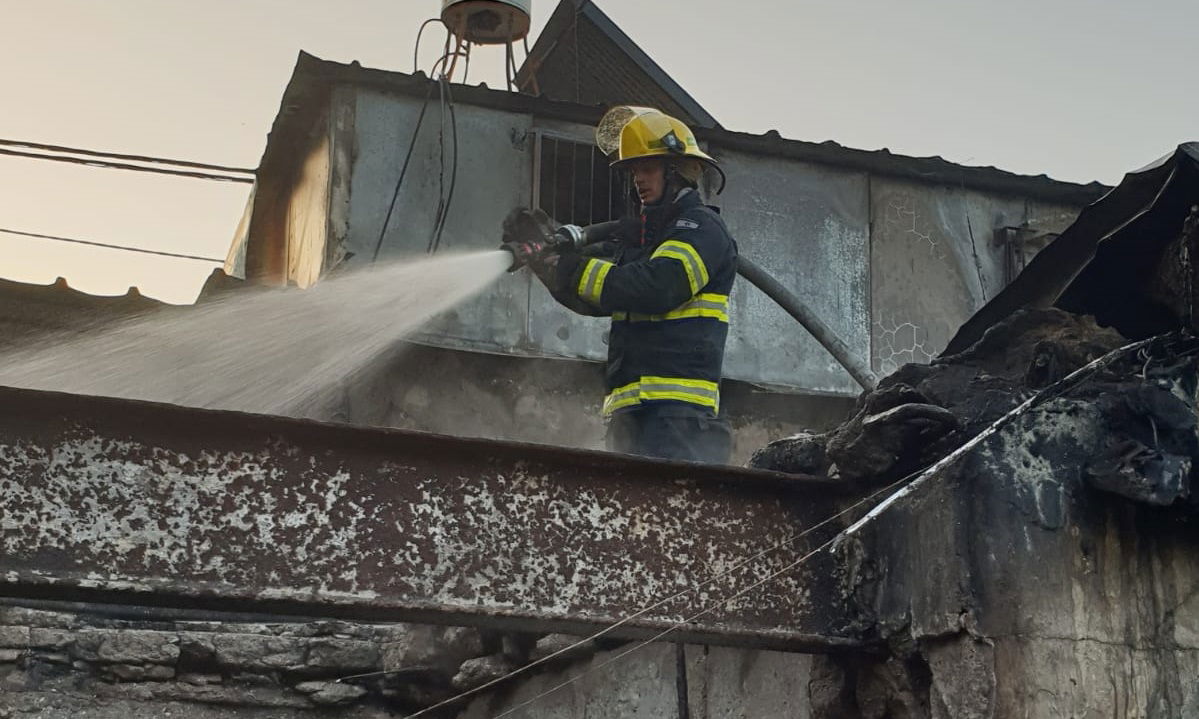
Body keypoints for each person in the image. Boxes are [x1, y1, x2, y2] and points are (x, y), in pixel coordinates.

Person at [506, 108, 738, 464]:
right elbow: (594, 298)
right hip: (630, 418)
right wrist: (545, 264)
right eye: (633, 171)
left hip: (680, 420)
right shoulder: (644, 241)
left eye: (647, 168)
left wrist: (573, 267)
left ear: (675, 170)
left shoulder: (700, 228)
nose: (638, 180)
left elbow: (659, 287)